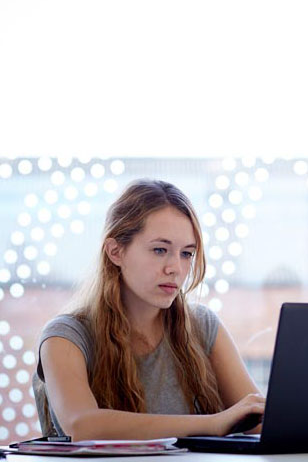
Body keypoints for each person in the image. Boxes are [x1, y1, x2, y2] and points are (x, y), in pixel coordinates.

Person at [34, 179, 265, 441]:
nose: (175, 268)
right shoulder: (66, 336)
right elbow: (82, 425)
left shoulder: (202, 325)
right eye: (160, 250)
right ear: (115, 252)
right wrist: (212, 424)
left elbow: (256, 421)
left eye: (186, 254)